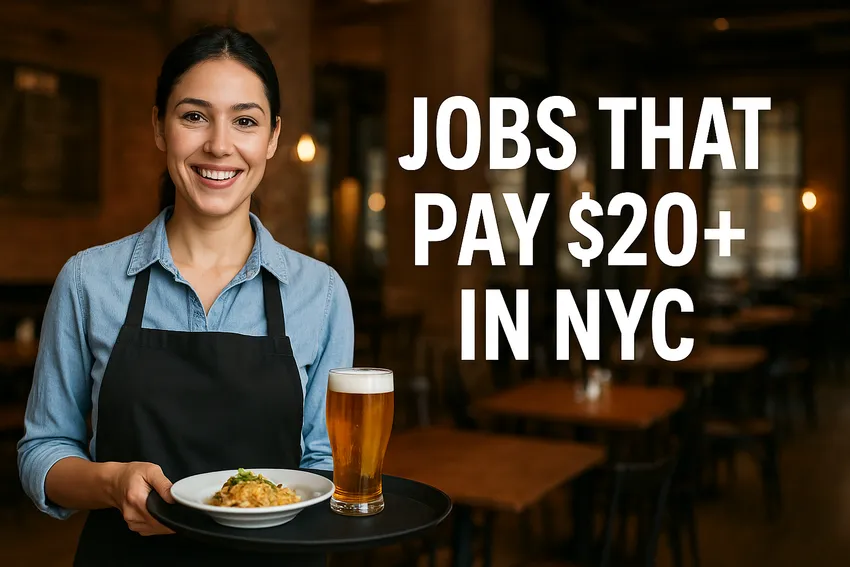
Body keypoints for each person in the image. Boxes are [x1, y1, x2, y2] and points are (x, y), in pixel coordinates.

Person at [17, 25, 353, 566]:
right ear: (159, 126)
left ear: (271, 138)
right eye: (193, 115)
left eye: (245, 120)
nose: (219, 144)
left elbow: (323, 463)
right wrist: (111, 483)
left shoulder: (322, 293)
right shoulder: (88, 280)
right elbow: (43, 453)